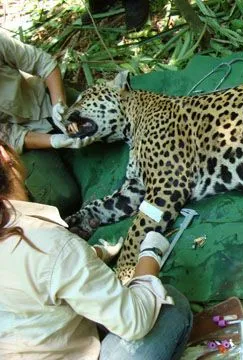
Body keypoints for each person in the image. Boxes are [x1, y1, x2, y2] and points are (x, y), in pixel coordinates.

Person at [0, 140, 193, 359]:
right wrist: (149, 255)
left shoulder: (40, 244)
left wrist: (94, 254)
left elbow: (37, 273)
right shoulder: (50, 242)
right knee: (171, 305)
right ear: (4, 156)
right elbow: (135, 321)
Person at [0, 31, 92, 215]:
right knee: (61, 198)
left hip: (44, 99)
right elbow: (9, 135)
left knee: (97, 124)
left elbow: (44, 63)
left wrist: (59, 105)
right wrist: (53, 141)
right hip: (26, 141)